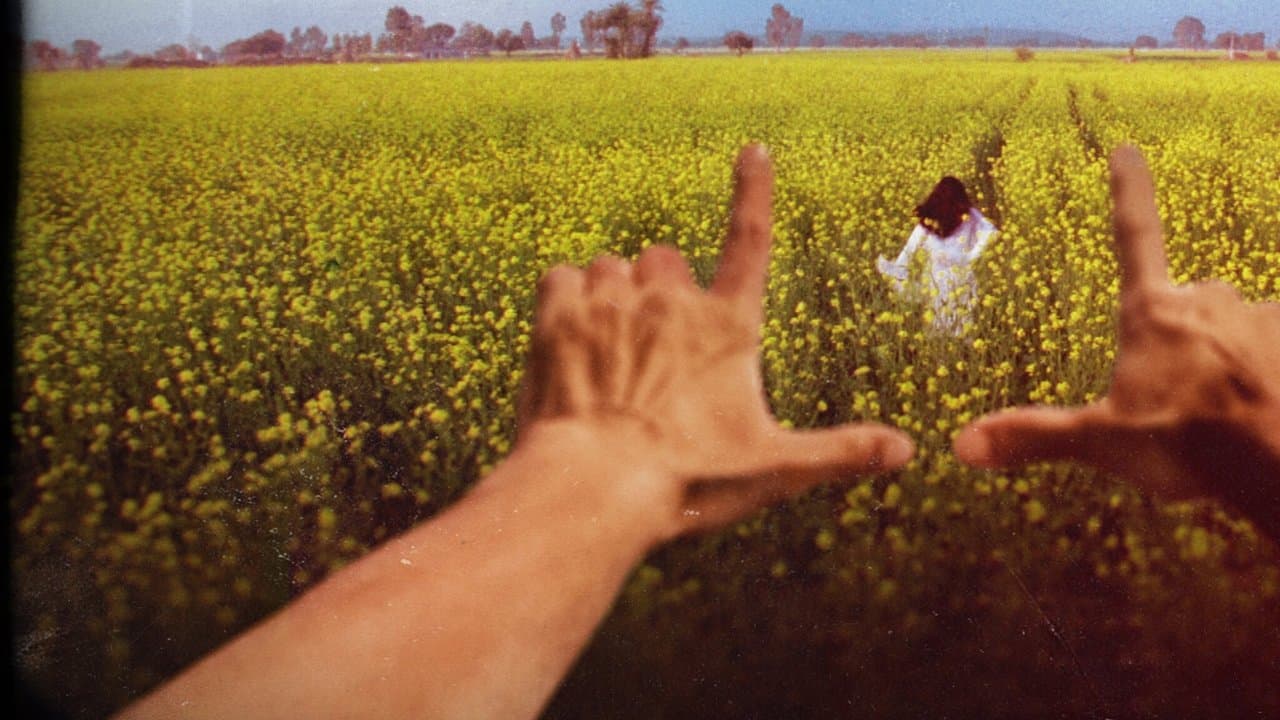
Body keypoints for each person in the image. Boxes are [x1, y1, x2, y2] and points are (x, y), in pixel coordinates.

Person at [116, 145, 1280, 719]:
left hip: (651, 458)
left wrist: (596, 470)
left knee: (942, 370)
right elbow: (951, 253)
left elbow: (924, 255)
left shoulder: (939, 243)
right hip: (967, 323)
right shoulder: (955, 244)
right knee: (950, 372)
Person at [876, 176, 998, 333]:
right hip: (961, 276)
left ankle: (940, 353)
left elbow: (910, 248)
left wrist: (898, 269)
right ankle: (961, 352)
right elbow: (991, 232)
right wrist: (971, 256)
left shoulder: (931, 217)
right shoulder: (968, 214)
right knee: (961, 323)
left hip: (936, 277)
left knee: (938, 322)